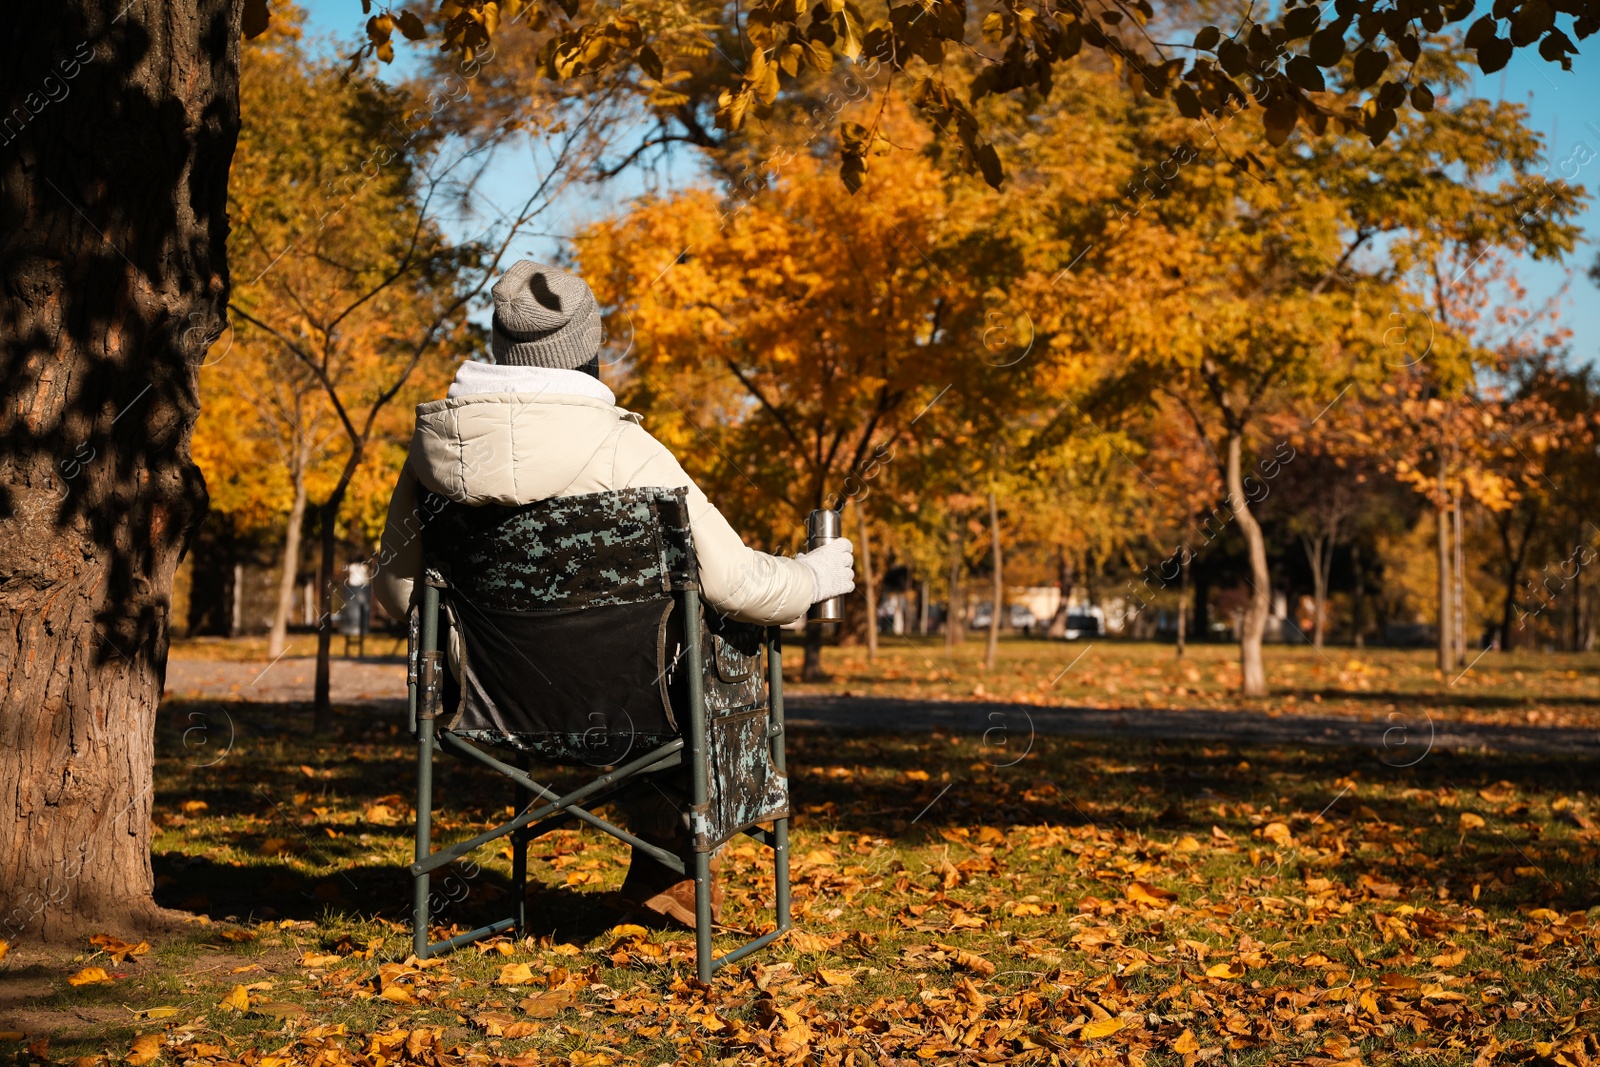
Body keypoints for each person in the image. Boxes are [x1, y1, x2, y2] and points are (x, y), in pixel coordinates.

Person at [372, 259, 854, 929]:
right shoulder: (626, 449)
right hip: (635, 702)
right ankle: (671, 867)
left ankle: (658, 871)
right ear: (586, 352)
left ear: (500, 347)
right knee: (700, 652)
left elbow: (394, 600)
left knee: (652, 660)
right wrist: (819, 575)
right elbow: (738, 581)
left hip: (486, 705)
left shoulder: (430, 458)